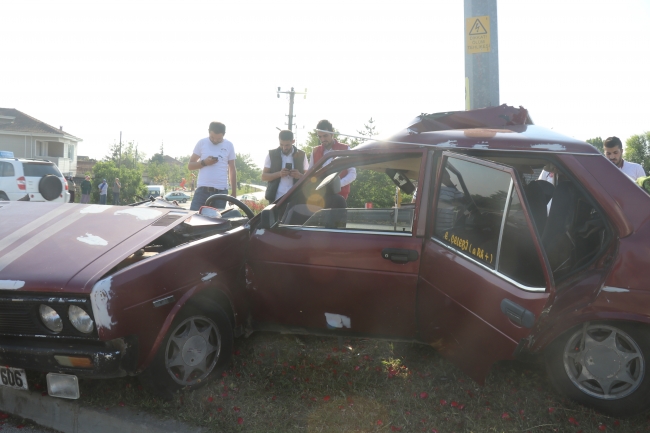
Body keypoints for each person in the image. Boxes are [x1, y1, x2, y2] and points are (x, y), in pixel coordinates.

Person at [188, 121, 237, 210]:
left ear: (224, 134)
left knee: (216, 222)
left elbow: (232, 169)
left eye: (218, 139)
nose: (215, 140)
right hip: (202, 190)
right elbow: (190, 165)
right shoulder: (202, 143)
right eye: (212, 137)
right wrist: (204, 162)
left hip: (221, 191)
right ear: (208, 131)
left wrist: (234, 192)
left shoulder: (229, 145)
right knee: (193, 218)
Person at [310, 120, 356, 199]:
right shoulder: (315, 151)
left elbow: (352, 174)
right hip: (319, 197)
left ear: (332, 133)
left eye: (325, 135)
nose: (323, 139)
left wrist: (338, 184)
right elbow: (310, 174)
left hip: (340, 196)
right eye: (320, 136)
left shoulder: (345, 149)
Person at [262, 130, 308, 201]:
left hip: (295, 199)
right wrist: (279, 174)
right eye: (281, 144)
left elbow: (308, 178)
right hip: (275, 199)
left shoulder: (302, 155)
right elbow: (264, 177)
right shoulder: (271, 155)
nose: (284, 148)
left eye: (287, 145)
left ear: (293, 141)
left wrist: (299, 176)